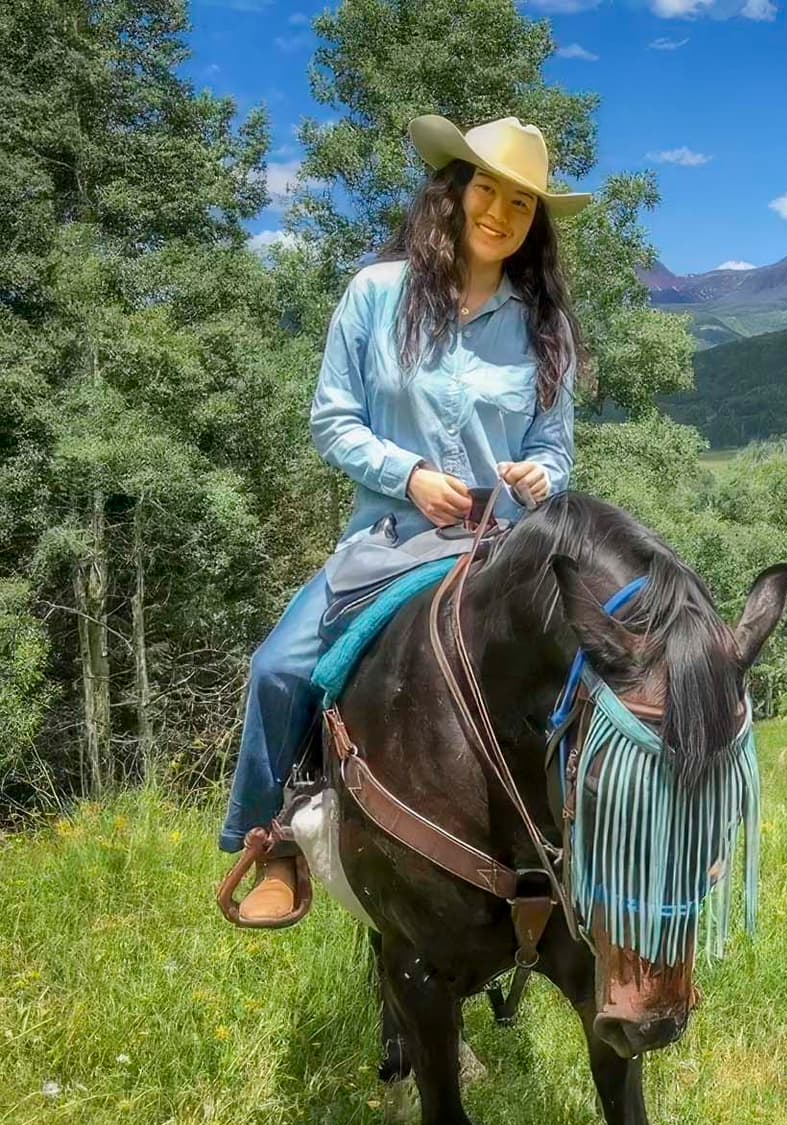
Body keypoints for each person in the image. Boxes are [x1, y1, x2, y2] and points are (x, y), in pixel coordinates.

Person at [221, 115, 588, 923]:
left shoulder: (545, 324)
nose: (500, 212)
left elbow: (557, 448)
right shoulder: (376, 294)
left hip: (501, 548)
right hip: (389, 542)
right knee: (279, 669)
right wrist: (409, 474)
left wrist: (540, 473)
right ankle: (275, 838)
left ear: (534, 225)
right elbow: (333, 420)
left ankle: (605, 848)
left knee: (605, 674)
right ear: (452, 193)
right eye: (487, 190)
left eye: (522, 204)